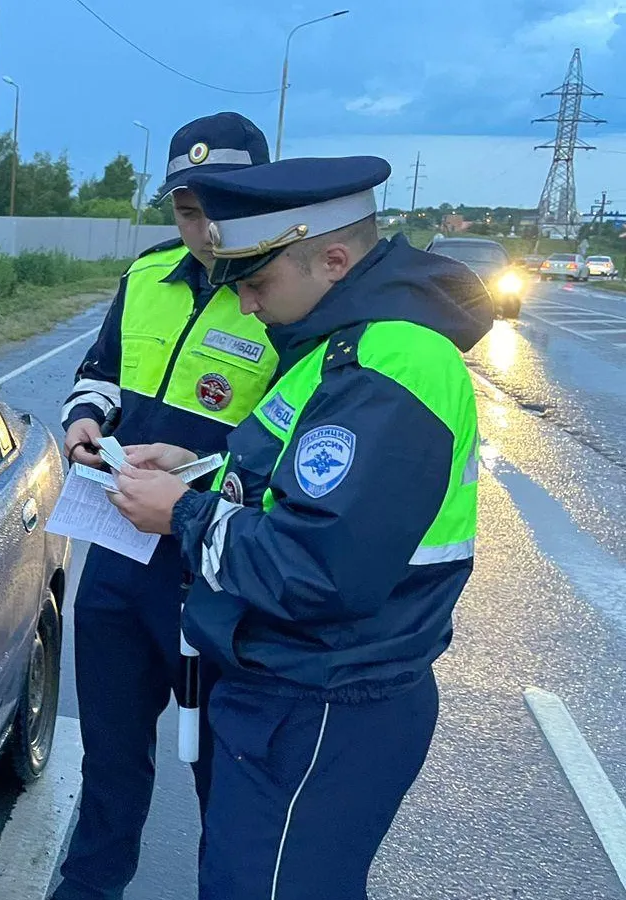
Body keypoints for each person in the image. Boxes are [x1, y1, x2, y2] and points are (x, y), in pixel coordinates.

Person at [109, 155, 491, 899]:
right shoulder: (337, 344)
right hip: (296, 695)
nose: (246, 306)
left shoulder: (391, 364)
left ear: (335, 258)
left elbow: (317, 566)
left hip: (324, 704)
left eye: (256, 282)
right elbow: (291, 486)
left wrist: (180, 512)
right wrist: (198, 469)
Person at [53, 112, 279, 900]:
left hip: (221, 570)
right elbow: (100, 370)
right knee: (111, 757)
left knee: (229, 774)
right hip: (118, 558)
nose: (203, 227)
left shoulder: (283, 300)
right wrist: (86, 417)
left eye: (219, 206)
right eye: (186, 209)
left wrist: (199, 487)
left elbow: (292, 448)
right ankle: (88, 887)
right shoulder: (146, 277)